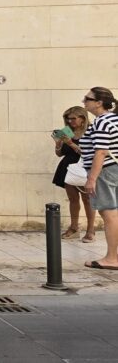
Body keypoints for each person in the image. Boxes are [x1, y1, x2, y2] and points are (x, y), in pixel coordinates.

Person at [80, 87, 118, 270]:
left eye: (87, 98)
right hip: (113, 169)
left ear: (99, 102)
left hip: (105, 171)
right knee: (113, 213)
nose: (83, 101)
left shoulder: (101, 122)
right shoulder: (113, 119)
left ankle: (112, 258)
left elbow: (101, 152)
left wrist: (92, 179)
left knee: (109, 214)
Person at [52, 106, 95, 242]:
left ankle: (90, 230)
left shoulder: (91, 131)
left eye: (73, 118)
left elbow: (91, 152)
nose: (70, 121)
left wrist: (71, 143)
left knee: (88, 200)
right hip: (69, 168)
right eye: (68, 119)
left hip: (86, 167)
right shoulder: (68, 131)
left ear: (83, 118)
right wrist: (58, 143)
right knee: (73, 199)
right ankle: (74, 227)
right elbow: (60, 153)